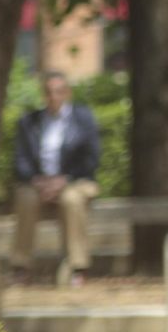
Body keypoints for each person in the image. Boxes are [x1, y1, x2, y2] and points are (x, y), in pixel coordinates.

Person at [10, 71, 101, 286]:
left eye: (59, 92)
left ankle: (78, 266)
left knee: (71, 200)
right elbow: (20, 160)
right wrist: (37, 181)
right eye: (49, 92)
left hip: (75, 181)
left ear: (67, 93)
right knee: (25, 199)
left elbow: (92, 158)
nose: (54, 97)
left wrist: (64, 180)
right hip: (39, 183)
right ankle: (20, 266)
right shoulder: (29, 122)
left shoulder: (83, 119)